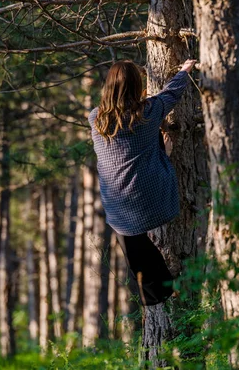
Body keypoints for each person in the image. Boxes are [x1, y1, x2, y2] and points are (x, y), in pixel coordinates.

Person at [88, 59, 196, 306]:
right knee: (139, 255)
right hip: (153, 199)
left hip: (119, 207)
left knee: (136, 253)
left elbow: (122, 148)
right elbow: (171, 93)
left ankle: (160, 296)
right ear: (137, 85)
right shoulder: (148, 111)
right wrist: (184, 71)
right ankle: (163, 295)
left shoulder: (96, 119)